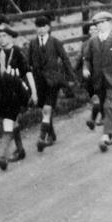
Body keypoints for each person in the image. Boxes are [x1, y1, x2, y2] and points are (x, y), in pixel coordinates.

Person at [0, 24, 38, 171]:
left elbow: (27, 72)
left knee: (8, 121)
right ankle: (20, 150)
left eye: (4, 36)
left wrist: (34, 91)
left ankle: (2, 156)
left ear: (11, 37)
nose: (1, 39)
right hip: (2, 92)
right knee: (13, 121)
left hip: (16, 92)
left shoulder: (17, 52)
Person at [82, 11, 112, 152]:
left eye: (103, 23)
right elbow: (86, 58)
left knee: (108, 106)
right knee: (106, 107)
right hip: (98, 81)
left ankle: (105, 135)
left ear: (109, 24)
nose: (100, 26)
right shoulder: (92, 41)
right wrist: (86, 69)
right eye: (98, 24)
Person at [27, 15, 77, 152]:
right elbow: (28, 65)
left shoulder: (55, 42)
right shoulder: (32, 44)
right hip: (39, 82)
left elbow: (65, 60)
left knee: (47, 109)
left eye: (44, 26)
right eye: (38, 27)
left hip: (53, 81)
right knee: (44, 109)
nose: (41, 29)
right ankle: (52, 135)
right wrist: (27, 83)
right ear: (36, 29)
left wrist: (71, 78)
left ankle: (42, 138)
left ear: (48, 28)